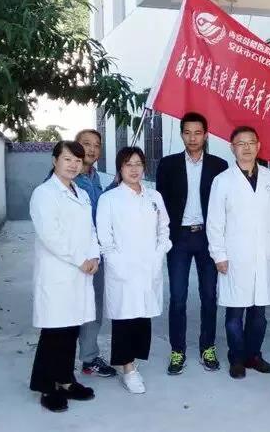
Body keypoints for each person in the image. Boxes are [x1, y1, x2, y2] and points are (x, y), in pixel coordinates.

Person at [207, 126, 270, 379]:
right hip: (234, 257)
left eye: (251, 142)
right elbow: (215, 222)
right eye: (241, 143)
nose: (247, 147)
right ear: (232, 148)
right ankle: (237, 358)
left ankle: (254, 355)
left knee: (259, 314)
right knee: (234, 313)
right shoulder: (223, 181)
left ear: (259, 146)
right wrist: (219, 255)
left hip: (264, 255)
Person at [29, 141, 100, 412]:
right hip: (58, 272)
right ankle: (47, 387)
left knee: (71, 329)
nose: (73, 165)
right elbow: (51, 235)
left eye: (77, 161)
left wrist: (94, 256)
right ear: (54, 160)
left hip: (80, 272)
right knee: (54, 331)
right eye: (67, 159)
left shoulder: (80, 193)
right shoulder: (44, 194)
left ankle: (66, 380)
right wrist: (80, 259)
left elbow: (90, 229)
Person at [156, 112, 228, 375]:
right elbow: (160, 204)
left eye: (198, 133)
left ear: (206, 135)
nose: (193, 138)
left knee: (209, 296)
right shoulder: (168, 164)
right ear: (181, 135)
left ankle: (208, 347)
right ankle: (178, 350)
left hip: (208, 237)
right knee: (178, 297)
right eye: (187, 133)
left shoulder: (219, 166)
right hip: (179, 238)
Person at [96, 147, 171, 394]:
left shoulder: (154, 197)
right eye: (128, 164)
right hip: (123, 269)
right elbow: (105, 237)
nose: (134, 169)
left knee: (142, 317)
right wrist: (118, 263)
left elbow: (164, 228)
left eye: (138, 163)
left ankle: (133, 361)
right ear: (120, 168)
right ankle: (128, 368)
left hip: (148, 267)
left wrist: (159, 253)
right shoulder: (109, 199)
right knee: (124, 318)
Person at [72, 128, 117, 378]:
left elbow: (98, 209)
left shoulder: (95, 178)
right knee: (70, 308)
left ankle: (89, 358)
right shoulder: (67, 176)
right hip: (73, 256)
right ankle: (60, 361)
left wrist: (114, 187)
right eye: (86, 143)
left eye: (96, 145)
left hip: (96, 254)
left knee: (94, 306)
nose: (91, 149)